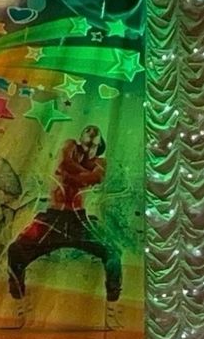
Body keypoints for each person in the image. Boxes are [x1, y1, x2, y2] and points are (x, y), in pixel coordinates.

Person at [8, 125, 122, 327]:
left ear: (99, 147)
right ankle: (19, 305)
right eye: (85, 143)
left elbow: (94, 177)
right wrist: (83, 173)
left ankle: (112, 309)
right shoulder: (70, 146)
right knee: (16, 251)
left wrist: (73, 175)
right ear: (79, 141)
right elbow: (66, 163)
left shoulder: (100, 162)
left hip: (79, 220)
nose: (88, 148)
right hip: (53, 218)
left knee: (113, 253)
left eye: (93, 146)